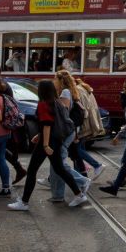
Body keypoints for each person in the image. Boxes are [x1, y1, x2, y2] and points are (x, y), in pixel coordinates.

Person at [9, 80, 90, 209]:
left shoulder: (43, 104)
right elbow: (51, 124)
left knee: (32, 171)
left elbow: (47, 124)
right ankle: (79, 194)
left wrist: (45, 144)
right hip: (55, 140)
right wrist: (40, 136)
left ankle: (24, 202)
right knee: (60, 169)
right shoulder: (56, 102)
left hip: (47, 143)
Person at [46, 71, 90, 202]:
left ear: (60, 80)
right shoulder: (67, 92)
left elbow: (62, 113)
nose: (53, 81)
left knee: (59, 162)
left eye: (55, 79)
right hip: (66, 131)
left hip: (64, 131)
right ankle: (57, 194)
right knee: (57, 161)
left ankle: (82, 180)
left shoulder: (65, 92)